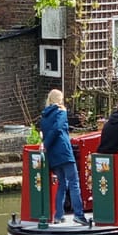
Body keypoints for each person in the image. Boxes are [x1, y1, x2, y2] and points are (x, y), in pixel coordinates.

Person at [39, 89, 89, 226]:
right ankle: (79, 215)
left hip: (53, 155)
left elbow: (45, 132)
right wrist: (46, 144)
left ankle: (58, 215)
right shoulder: (61, 112)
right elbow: (58, 129)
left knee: (62, 183)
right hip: (64, 152)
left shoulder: (44, 116)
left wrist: (45, 144)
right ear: (59, 100)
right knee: (74, 183)